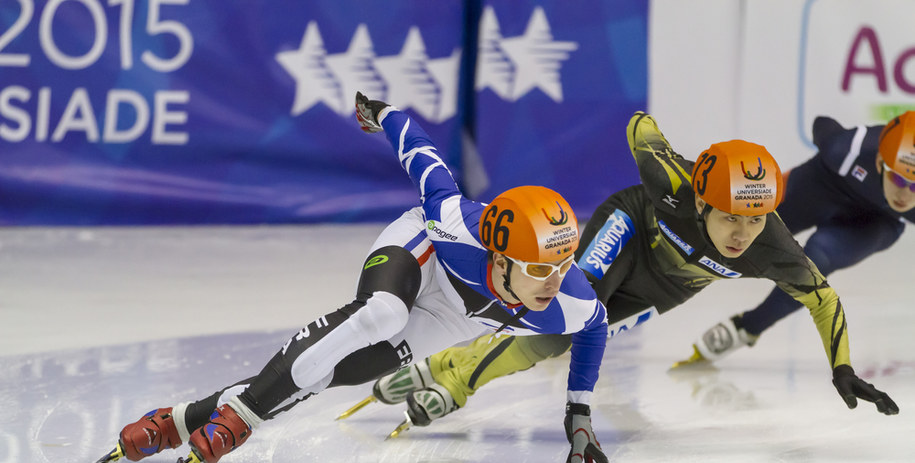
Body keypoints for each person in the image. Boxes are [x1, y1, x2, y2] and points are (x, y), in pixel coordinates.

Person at [91, 92, 614, 463]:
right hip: (420, 255)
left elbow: (596, 328)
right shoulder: (457, 222)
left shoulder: (568, 302)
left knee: (323, 377)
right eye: (541, 268)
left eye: (564, 263)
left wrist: (579, 411)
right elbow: (425, 159)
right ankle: (241, 419)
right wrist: (386, 115)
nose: (556, 279)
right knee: (383, 312)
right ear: (500, 256)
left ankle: (177, 420)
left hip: (450, 316)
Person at [343, 112, 897, 441]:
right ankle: (457, 383)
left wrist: (841, 368)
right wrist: (664, 146)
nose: (741, 234)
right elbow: (640, 126)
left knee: (557, 344)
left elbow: (824, 300)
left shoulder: (773, 249)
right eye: (730, 216)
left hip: (669, 285)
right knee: (557, 326)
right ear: (700, 198)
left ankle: (443, 365)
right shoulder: (674, 182)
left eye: (755, 219)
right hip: (629, 228)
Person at [679, 111, 915, 366]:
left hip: (875, 222)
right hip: (821, 186)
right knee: (732, 230)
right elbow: (823, 123)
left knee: (816, 260)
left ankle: (746, 328)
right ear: (880, 162)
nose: (905, 194)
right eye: (899, 178)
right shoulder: (847, 149)